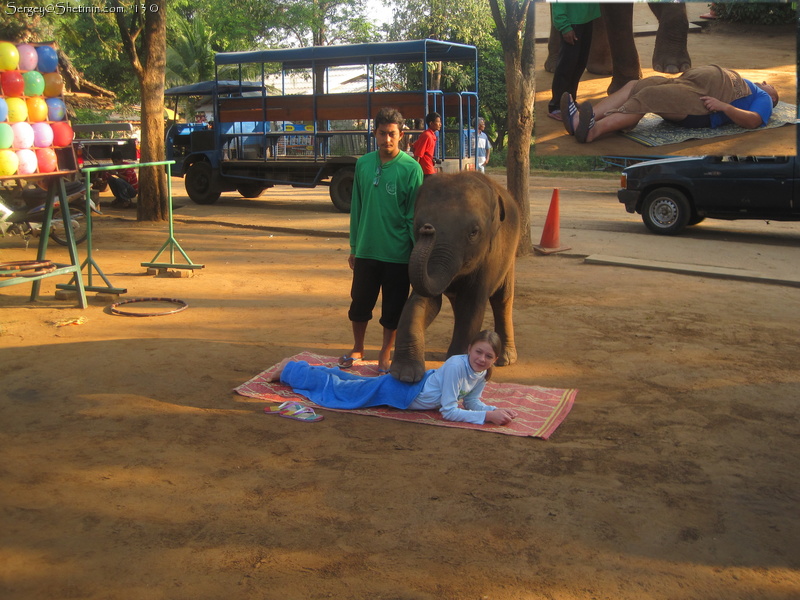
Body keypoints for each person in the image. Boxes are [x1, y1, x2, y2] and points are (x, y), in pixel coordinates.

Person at [269, 330, 518, 426]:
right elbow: (449, 410)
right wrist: (487, 417)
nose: (482, 359)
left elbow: (472, 403)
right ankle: (291, 370)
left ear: (494, 359)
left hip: (409, 389)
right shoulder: (456, 365)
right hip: (402, 391)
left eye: (489, 356)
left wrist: (496, 410)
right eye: (478, 352)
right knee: (341, 392)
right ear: (469, 349)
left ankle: (296, 368)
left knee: (351, 385)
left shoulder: (483, 372)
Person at [341, 107, 424, 372]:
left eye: (391, 134)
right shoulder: (363, 164)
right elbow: (357, 207)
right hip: (366, 250)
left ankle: (385, 353)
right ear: (374, 133)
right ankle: (358, 347)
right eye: (381, 133)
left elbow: (413, 215)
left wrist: (415, 253)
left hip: (398, 253)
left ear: (401, 135)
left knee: (393, 309)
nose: (386, 139)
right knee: (360, 304)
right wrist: (354, 246)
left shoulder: (412, 169)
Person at [561, 64, 779, 143]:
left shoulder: (764, 98)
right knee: (636, 85)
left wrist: (724, 107)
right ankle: (578, 119)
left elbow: (754, 121)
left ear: (774, 98)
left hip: (701, 105)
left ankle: (593, 131)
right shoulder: (751, 83)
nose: (767, 84)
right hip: (688, 83)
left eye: (772, 88)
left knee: (651, 96)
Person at [548, 2, 601, 122]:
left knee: (579, 63)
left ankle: (570, 101)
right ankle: (556, 107)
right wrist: (564, 26)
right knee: (566, 65)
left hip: (586, 19)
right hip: (572, 22)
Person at [412, 112, 441, 177]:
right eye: (438, 122)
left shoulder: (430, 135)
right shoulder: (427, 135)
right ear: (431, 123)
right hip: (426, 169)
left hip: (428, 167)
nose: (440, 124)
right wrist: (415, 170)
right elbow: (418, 154)